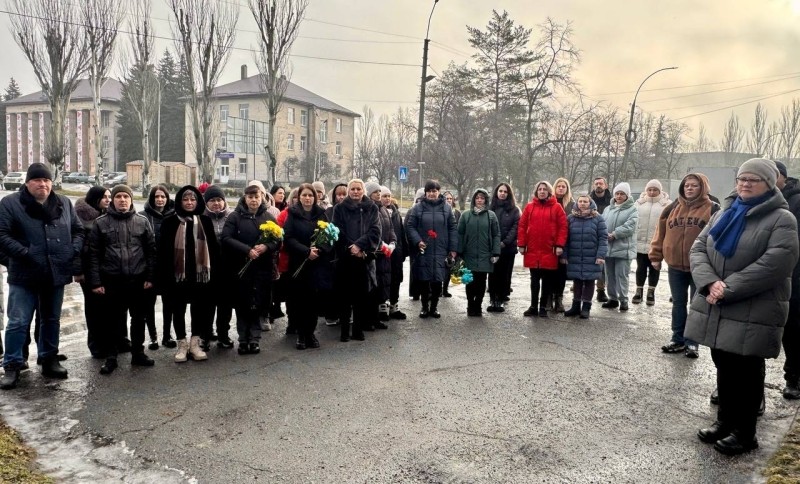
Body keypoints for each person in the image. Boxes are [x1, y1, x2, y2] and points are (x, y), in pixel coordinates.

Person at [689, 158, 798, 456]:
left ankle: (745, 433)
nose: (746, 183)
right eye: (742, 178)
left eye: (754, 179)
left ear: (769, 183)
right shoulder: (724, 211)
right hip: (718, 302)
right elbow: (698, 248)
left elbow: (777, 262)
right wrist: (710, 282)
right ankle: (725, 422)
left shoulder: (781, 218)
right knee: (723, 364)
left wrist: (728, 288)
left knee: (747, 371)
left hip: (753, 306)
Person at [0, 163, 84, 390]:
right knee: (18, 322)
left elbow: (77, 231)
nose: (42, 184)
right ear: (27, 183)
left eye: (46, 180)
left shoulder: (63, 203)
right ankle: (12, 365)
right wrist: (25, 253)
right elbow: (2, 235)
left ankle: (49, 358)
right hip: (24, 273)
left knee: (50, 319)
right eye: (37, 180)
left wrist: (73, 250)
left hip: (54, 272)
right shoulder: (10, 204)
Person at [88, 185, 157, 374]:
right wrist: (96, 282)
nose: (122, 200)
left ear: (131, 199)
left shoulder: (142, 222)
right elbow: (93, 254)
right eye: (118, 196)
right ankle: (111, 357)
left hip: (137, 280)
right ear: (113, 200)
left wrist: (150, 277)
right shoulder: (101, 223)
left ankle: (138, 353)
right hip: (111, 280)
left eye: (126, 196)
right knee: (112, 320)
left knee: (138, 319)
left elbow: (151, 252)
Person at [650, 173, 717, 358]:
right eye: (686, 185)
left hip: (701, 267)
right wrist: (655, 255)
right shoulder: (672, 208)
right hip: (675, 266)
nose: (689, 188)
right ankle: (677, 339)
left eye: (694, 185)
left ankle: (692, 343)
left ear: (702, 187)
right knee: (678, 303)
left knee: (696, 305)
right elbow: (660, 232)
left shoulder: (713, 209)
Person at [157, 185, 220, 363]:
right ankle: (182, 345)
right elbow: (162, 252)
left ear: (198, 201)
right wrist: (162, 278)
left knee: (198, 309)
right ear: (179, 201)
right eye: (186, 199)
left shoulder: (205, 221)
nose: (189, 202)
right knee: (178, 309)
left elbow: (214, 251)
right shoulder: (170, 222)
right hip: (177, 276)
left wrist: (213, 275)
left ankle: (195, 344)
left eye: (193, 199)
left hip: (200, 275)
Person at [221, 181, 280, 355]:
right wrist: (247, 250)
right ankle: (243, 339)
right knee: (242, 305)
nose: (253, 200)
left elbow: (278, 239)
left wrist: (266, 247)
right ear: (244, 198)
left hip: (262, 269)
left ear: (262, 197)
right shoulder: (235, 217)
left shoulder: (268, 217)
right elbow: (226, 238)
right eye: (250, 197)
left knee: (258, 304)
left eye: (256, 197)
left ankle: (254, 339)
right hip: (241, 268)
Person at [332, 179, 381, 341]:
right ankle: (345, 331)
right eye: (352, 189)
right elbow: (337, 231)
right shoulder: (339, 208)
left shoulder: (372, 208)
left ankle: (358, 329)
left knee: (361, 296)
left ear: (363, 191)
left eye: (358, 189)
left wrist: (360, 246)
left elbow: (375, 231)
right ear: (348, 191)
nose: (355, 192)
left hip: (363, 257)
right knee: (345, 297)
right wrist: (350, 248)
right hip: (345, 258)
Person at [283, 183, 331, 349]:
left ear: (315, 197)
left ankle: (311, 333)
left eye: (310, 195)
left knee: (313, 302)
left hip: (317, 264)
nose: (307, 198)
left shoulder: (322, 214)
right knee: (299, 301)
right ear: (299, 197)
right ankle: (301, 335)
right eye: (304, 195)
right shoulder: (293, 214)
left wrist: (319, 250)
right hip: (299, 264)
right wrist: (305, 251)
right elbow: (288, 238)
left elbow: (329, 237)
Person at [406, 180, 458, 319]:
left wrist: (453, 248)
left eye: (434, 191)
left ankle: (434, 307)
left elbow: (452, 228)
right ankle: (424, 307)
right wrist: (418, 241)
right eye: (429, 191)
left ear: (438, 192)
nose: (432, 194)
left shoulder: (447, 208)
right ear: (426, 193)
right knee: (424, 279)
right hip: (424, 249)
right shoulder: (418, 208)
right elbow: (410, 226)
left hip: (441, 249)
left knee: (437, 280)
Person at [518, 181, 567, 318]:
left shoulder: (557, 207)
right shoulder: (529, 207)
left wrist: (559, 245)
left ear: (549, 192)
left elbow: (563, 227)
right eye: (539, 189)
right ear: (536, 191)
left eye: (545, 189)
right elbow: (522, 226)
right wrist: (521, 244)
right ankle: (533, 306)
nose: (542, 191)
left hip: (549, 250)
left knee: (547, 281)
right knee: (534, 280)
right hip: (533, 249)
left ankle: (543, 307)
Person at [75, 186, 112, 357]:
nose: (108, 200)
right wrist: (78, 271)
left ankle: (111, 341)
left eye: (109, 196)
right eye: (104, 197)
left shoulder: (108, 215)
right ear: (94, 198)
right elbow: (77, 247)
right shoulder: (81, 217)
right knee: (93, 308)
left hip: (108, 269)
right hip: (88, 270)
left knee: (108, 308)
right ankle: (95, 344)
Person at [773, 160, 800, 399]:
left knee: (792, 330)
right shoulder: (757, 200)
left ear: (782, 177)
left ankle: (793, 377)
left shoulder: (797, 201)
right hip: (765, 276)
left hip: (795, 277)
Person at [142, 185, 177, 348]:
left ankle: (167, 335)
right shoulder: (143, 217)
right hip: (149, 267)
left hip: (169, 267)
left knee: (169, 303)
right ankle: (153, 337)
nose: (160, 200)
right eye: (156, 197)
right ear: (152, 199)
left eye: (163, 196)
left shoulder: (175, 216)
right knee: (148, 304)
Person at [457, 189, 501, 316]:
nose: (480, 200)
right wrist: (459, 252)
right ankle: (470, 305)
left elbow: (496, 234)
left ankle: (478, 305)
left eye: (482, 198)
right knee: (469, 281)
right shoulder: (465, 215)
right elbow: (460, 234)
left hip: (485, 255)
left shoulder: (491, 216)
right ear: (474, 200)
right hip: (469, 255)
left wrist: (495, 252)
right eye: (477, 198)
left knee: (481, 282)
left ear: (486, 200)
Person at [562, 195, 608, 318]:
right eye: (580, 201)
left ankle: (586, 307)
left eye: (585, 201)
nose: (582, 203)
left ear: (590, 203)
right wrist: (564, 255)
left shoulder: (598, 218)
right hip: (575, 255)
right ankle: (575, 306)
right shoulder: (570, 218)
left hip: (592, 256)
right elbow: (565, 238)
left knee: (589, 281)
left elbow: (603, 238)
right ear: (577, 203)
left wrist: (601, 255)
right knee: (577, 280)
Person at [203, 185, 234, 349]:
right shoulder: (201, 218)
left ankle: (223, 334)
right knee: (207, 304)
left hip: (227, 268)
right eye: (212, 200)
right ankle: (206, 335)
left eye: (219, 200)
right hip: (207, 267)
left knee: (225, 304)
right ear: (206, 203)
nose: (216, 203)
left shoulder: (232, 217)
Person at [601, 182, 638, 311]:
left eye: (622, 193)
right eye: (617, 193)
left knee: (621, 275)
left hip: (623, 249)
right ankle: (612, 298)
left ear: (627, 195)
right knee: (609, 275)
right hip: (608, 248)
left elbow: (630, 226)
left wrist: (615, 234)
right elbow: (601, 223)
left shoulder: (633, 209)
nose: (619, 196)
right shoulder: (608, 209)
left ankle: (623, 300)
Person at [633, 180, 670, 306]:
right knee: (640, 267)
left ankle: (651, 292)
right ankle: (639, 291)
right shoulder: (638, 204)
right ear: (646, 190)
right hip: (640, 242)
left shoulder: (667, 205)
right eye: (649, 189)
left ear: (660, 191)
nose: (652, 192)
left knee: (655, 268)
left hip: (657, 243)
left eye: (655, 190)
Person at [365, 182, 396, 328]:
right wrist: (381, 245)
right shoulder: (367, 209)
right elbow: (369, 231)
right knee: (372, 287)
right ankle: (369, 319)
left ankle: (376, 318)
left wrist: (392, 243)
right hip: (374, 253)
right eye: (375, 192)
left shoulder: (383, 209)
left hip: (385, 255)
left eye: (379, 191)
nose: (378, 194)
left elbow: (391, 229)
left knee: (381, 286)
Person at [487, 183, 519, 313]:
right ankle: (493, 299)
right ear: (496, 192)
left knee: (504, 274)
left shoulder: (514, 210)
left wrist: (505, 242)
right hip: (492, 247)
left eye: (505, 192)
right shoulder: (490, 208)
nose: (502, 193)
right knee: (492, 274)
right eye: (500, 191)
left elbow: (515, 227)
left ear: (509, 194)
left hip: (507, 248)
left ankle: (501, 298)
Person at [381, 186, 409, 320]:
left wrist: (403, 250)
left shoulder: (395, 212)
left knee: (396, 279)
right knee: (384, 280)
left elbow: (401, 232)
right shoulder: (377, 212)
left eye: (388, 196)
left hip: (396, 252)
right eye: (384, 196)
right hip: (383, 252)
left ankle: (394, 306)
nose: (387, 198)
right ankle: (382, 307)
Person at [323, 183, 348, 326]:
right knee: (331, 287)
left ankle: (345, 314)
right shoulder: (328, 212)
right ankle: (331, 314)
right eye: (339, 194)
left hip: (347, 252)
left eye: (344, 194)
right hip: (332, 254)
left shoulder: (353, 210)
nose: (342, 197)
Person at [551, 177, 575, 312]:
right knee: (549, 271)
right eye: (558, 186)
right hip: (549, 241)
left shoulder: (571, 204)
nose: (561, 188)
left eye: (563, 186)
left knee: (561, 271)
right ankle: (548, 296)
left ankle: (558, 298)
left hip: (565, 242)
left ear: (567, 189)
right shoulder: (549, 202)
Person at [590, 176, 612, 302]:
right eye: (596, 183)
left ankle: (601, 290)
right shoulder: (588, 199)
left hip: (605, 236)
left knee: (602, 265)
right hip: (590, 235)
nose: (598, 185)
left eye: (601, 183)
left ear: (606, 185)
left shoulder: (611, 201)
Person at [441, 191, 461, 298]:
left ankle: (445, 289)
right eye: (446, 198)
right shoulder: (441, 211)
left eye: (450, 198)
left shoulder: (457, 213)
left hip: (453, 243)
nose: (448, 200)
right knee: (441, 267)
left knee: (449, 266)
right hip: (443, 242)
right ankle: (439, 289)